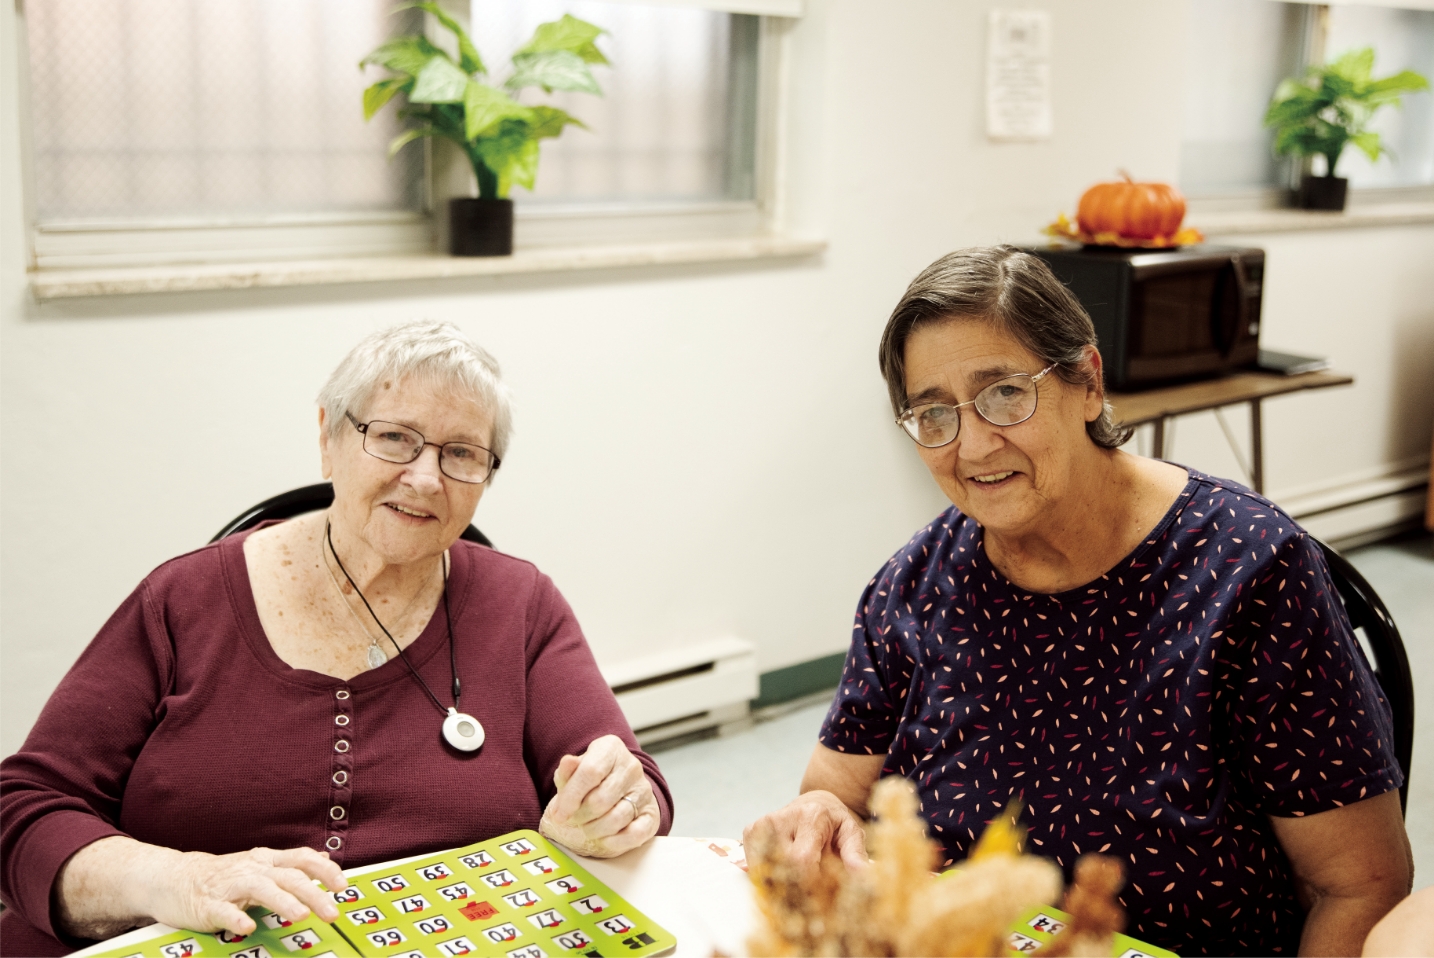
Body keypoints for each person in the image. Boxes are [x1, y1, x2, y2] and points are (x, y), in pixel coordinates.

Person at [745, 246, 1412, 957]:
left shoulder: (1249, 573)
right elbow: (835, 797)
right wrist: (815, 816)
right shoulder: (915, 583)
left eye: (1004, 393)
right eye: (933, 414)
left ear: (1088, 383)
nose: (971, 445)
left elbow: (1359, 885)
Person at [0, 321, 671, 957]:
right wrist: (176, 880)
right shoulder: (182, 601)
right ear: (328, 437)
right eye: (395, 437)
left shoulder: (521, 604)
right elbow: (22, 810)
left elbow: (638, 786)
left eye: (461, 453)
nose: (425, 477)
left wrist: (610, 805)